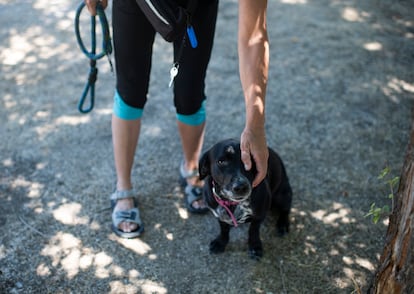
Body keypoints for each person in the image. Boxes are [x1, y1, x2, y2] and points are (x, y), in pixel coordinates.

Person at [84, 0, 270, 239]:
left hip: (195, 6)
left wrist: (256, 126)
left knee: (190, 92)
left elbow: (254, 35)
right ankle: (123, 189)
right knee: (130, 92)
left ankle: (192, 172)